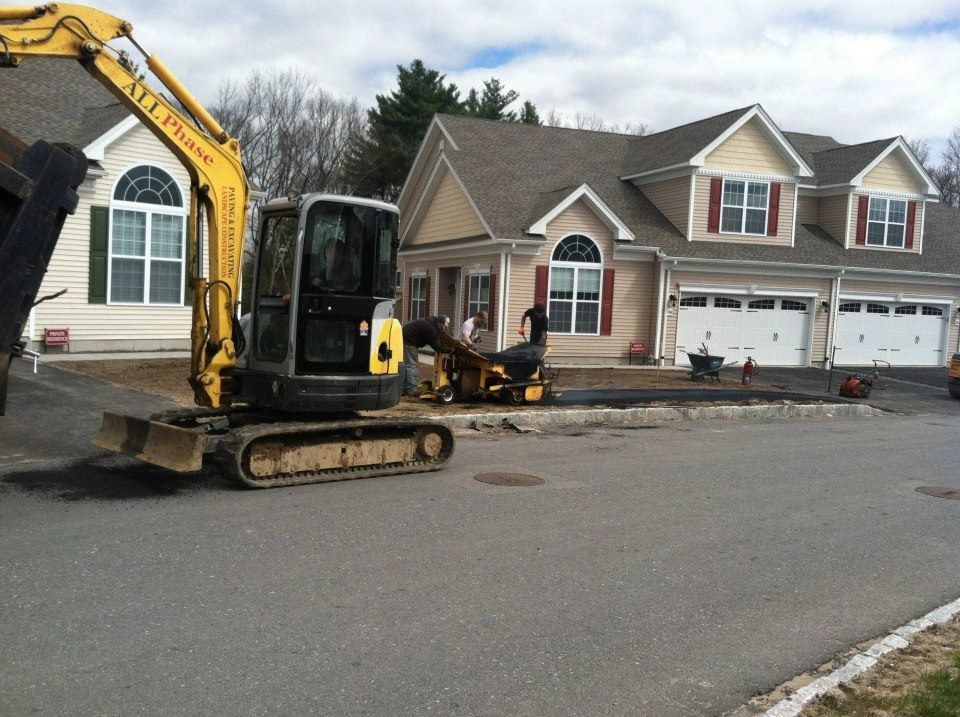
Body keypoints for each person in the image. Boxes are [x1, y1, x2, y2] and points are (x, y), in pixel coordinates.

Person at [401, 315, 451, 395]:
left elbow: (435, 340)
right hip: (409, 341)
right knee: (412, 365)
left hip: (405, 339)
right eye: (442, 327)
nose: (442, 329)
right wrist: (448, 350)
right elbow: (436, 345)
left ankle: (403, 389)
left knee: (407, 365)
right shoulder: (430, 328)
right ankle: (411, 389)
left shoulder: (431, 323)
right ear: (440, 322)